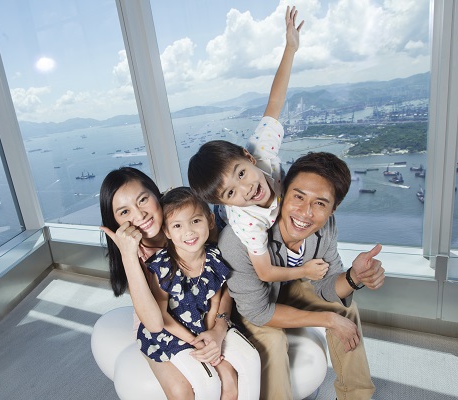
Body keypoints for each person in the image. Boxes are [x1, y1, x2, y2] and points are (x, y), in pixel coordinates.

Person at [218, 151, 386, 400]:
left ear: (333, 209)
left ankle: (356, 396)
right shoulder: (239, 239)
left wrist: (354, 276)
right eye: (298, 197)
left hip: (286, 290)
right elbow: (258, 312)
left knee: (345, 309)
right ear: (283, 192)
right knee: (273, 341)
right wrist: (328, 320)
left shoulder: (326, 227)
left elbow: (328, 285)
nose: (305, 213)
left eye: (320, 203)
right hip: (248, 307)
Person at [188, 6, 328, 287]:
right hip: (229, 220)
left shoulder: (260, 150)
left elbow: (274, 102)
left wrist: (290, 48)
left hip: (243, 199)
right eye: (231, 192)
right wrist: (304, 271)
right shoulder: (247, 223)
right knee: (221, 248)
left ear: (248, 157)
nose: (246, 188)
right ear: (226, 201)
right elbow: (264, 272)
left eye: (241, 173)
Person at [99, 168, 230, 399]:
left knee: (228, 378)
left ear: (155, 194)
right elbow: (154, 322)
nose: (139, 215)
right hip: (161, 328)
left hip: (203, 315)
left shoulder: (189, 220)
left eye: (143, 199)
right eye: (125, 211)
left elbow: (220, 279)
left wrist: (219, 327)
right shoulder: (135, 255)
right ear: (116, 221)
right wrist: (128, 255)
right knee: (181, 391)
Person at [137, 187, 261, 400]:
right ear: (167, 232)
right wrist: (196, 341)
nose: (189, 232)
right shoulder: (163, 266)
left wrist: (212, 335)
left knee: (250, 359)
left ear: (210, 220)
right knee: (208, 383)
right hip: (173, 332)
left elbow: (215, 299)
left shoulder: (213, 256)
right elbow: (161, 316)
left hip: (205, 325)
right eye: (177, 225)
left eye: (195, 221)